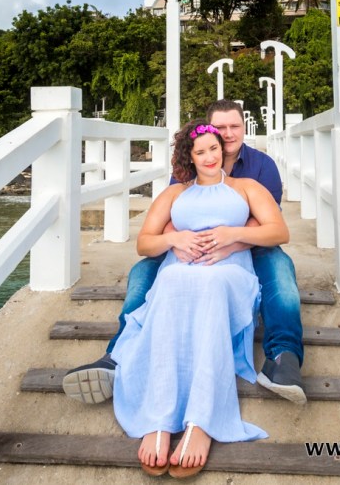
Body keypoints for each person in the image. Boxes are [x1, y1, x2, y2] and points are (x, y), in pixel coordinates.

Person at [61, 100, 307, 405]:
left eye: (235, 127)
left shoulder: (260, 168)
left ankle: (283, 358)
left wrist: (229, 242)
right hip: (189, 247)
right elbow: (170, 217)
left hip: (248, 245)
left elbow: (271, 224)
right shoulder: (186, 172)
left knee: (280, 271)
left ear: (243, 127)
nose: (228, 135)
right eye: (220, 129)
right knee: (143, 271)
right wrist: (179, 242)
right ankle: (116, 355)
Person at [111, 120, 289, 476]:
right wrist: (173, 240)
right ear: (188, 157)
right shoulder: (176, 194)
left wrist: (231, 235)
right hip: (180, 270)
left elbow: (279, 230)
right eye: (201, 151)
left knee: (211, 285)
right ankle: (159, 418)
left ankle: (203, 421)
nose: (210, 157)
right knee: (172, 281)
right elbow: (144, 242)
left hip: (230, 274)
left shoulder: (246, 187)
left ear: (222, 149)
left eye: (214, 149)